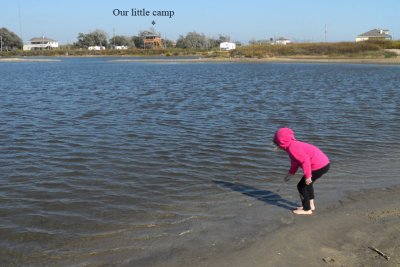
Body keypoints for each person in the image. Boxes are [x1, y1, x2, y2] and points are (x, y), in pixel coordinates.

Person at [273, 127, 330, 215]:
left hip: (318, 165)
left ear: (281, 143)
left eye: (277, 143)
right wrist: (290, 174)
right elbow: (295, 162)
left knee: (301, 186)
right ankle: (311, 205)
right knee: (308, 184)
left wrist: (308, 176)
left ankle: (307, 209)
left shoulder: (292, 148)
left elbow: (305, 161)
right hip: (324, 163)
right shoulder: (293, 145)